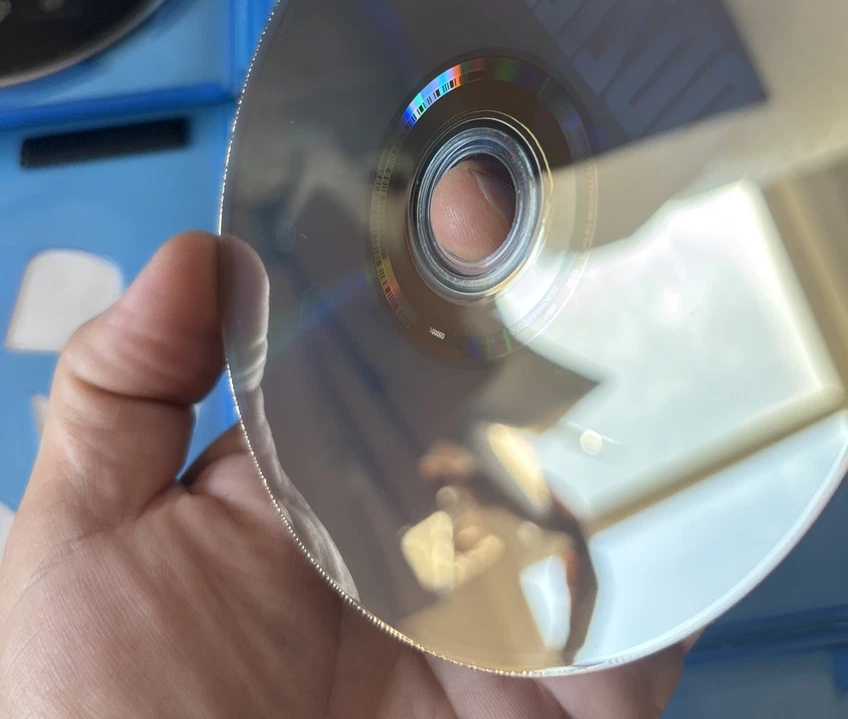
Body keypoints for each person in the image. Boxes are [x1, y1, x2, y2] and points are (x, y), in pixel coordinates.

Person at [0, 161, 686, 717]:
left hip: (391, 537)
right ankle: (295, 239)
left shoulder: (507, 515)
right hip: (389, 512)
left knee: (305, 376)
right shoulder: (516, 492)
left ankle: (290, 242)